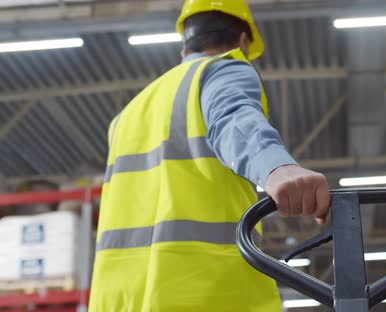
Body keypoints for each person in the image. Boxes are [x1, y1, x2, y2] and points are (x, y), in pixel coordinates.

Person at [88, 0, 331, 311]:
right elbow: (233, 118)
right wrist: (277, 167)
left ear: (184, 47)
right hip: (203, 292)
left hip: (120, 300)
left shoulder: (128, 114)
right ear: (243, 42)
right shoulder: (222, 68)